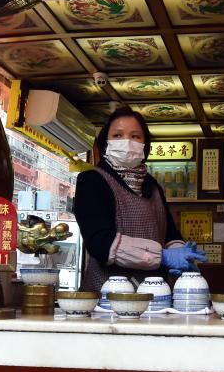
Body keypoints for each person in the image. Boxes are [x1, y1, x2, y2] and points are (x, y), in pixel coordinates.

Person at [74, 108, 208, 292]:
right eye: (117, 135)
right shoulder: (91, 181)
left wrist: (181, 253)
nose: (127, 142)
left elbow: (169, 234)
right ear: (105, 142)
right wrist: (162, 256)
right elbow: (99, 243)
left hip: (155, 293)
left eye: (135, 136)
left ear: (145, 144)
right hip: (108, 295)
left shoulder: (153, 186)